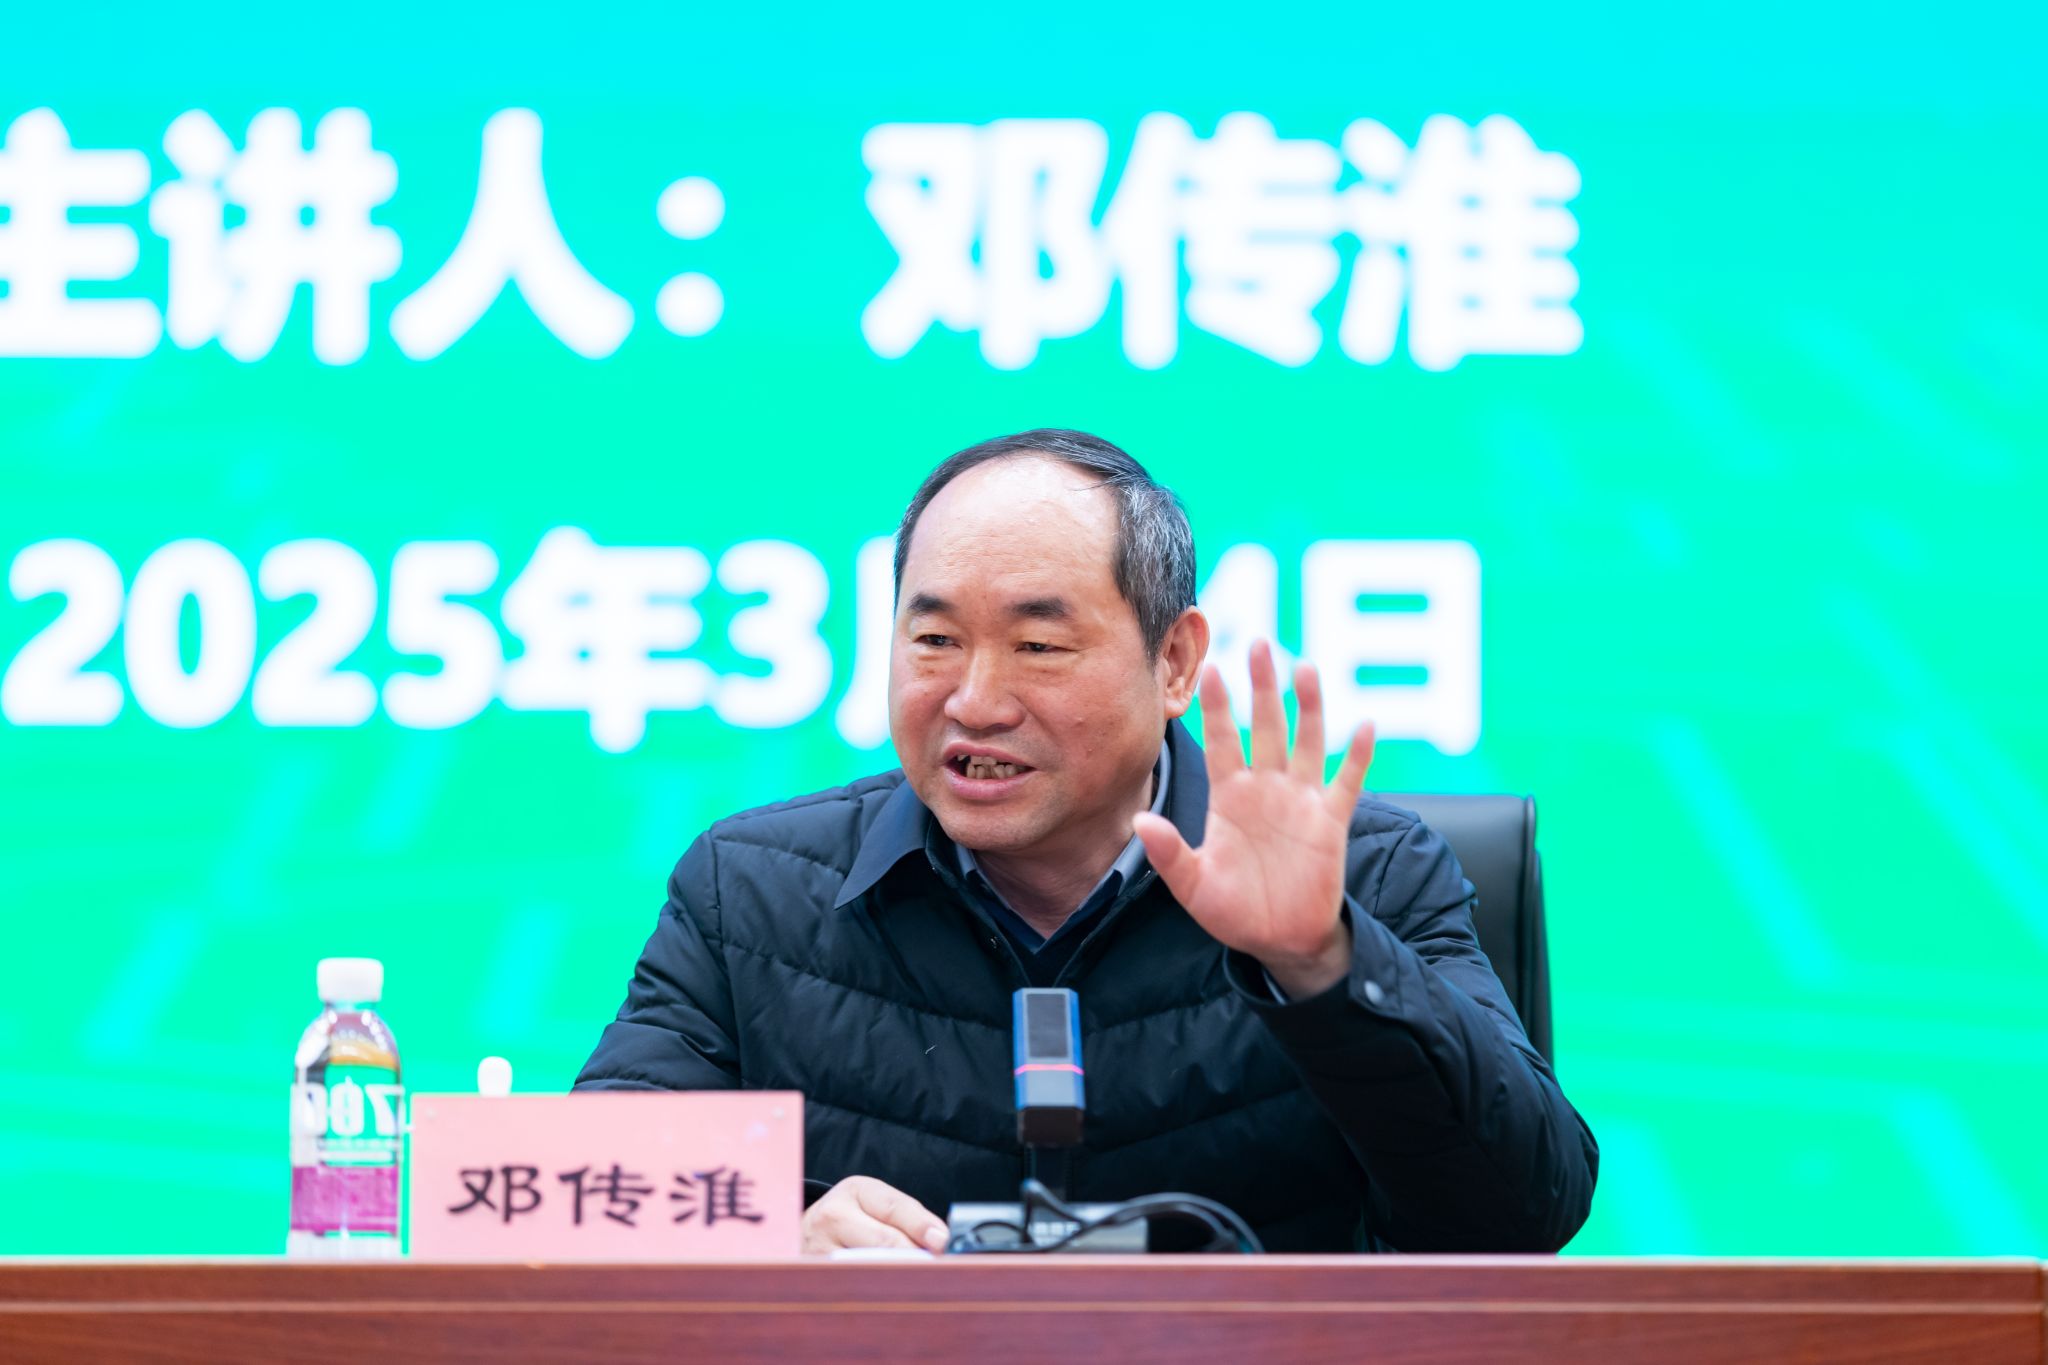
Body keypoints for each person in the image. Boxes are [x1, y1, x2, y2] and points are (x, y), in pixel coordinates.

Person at [575, 428, 1597, 1254]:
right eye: (933, 640)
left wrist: (1320, 962)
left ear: (1173, 662)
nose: (974, 700)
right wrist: (769, 1242)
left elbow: (1522, 1216)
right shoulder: (750, 893)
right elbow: (586, 1205)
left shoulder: (1367, 876)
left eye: (1038, 645)